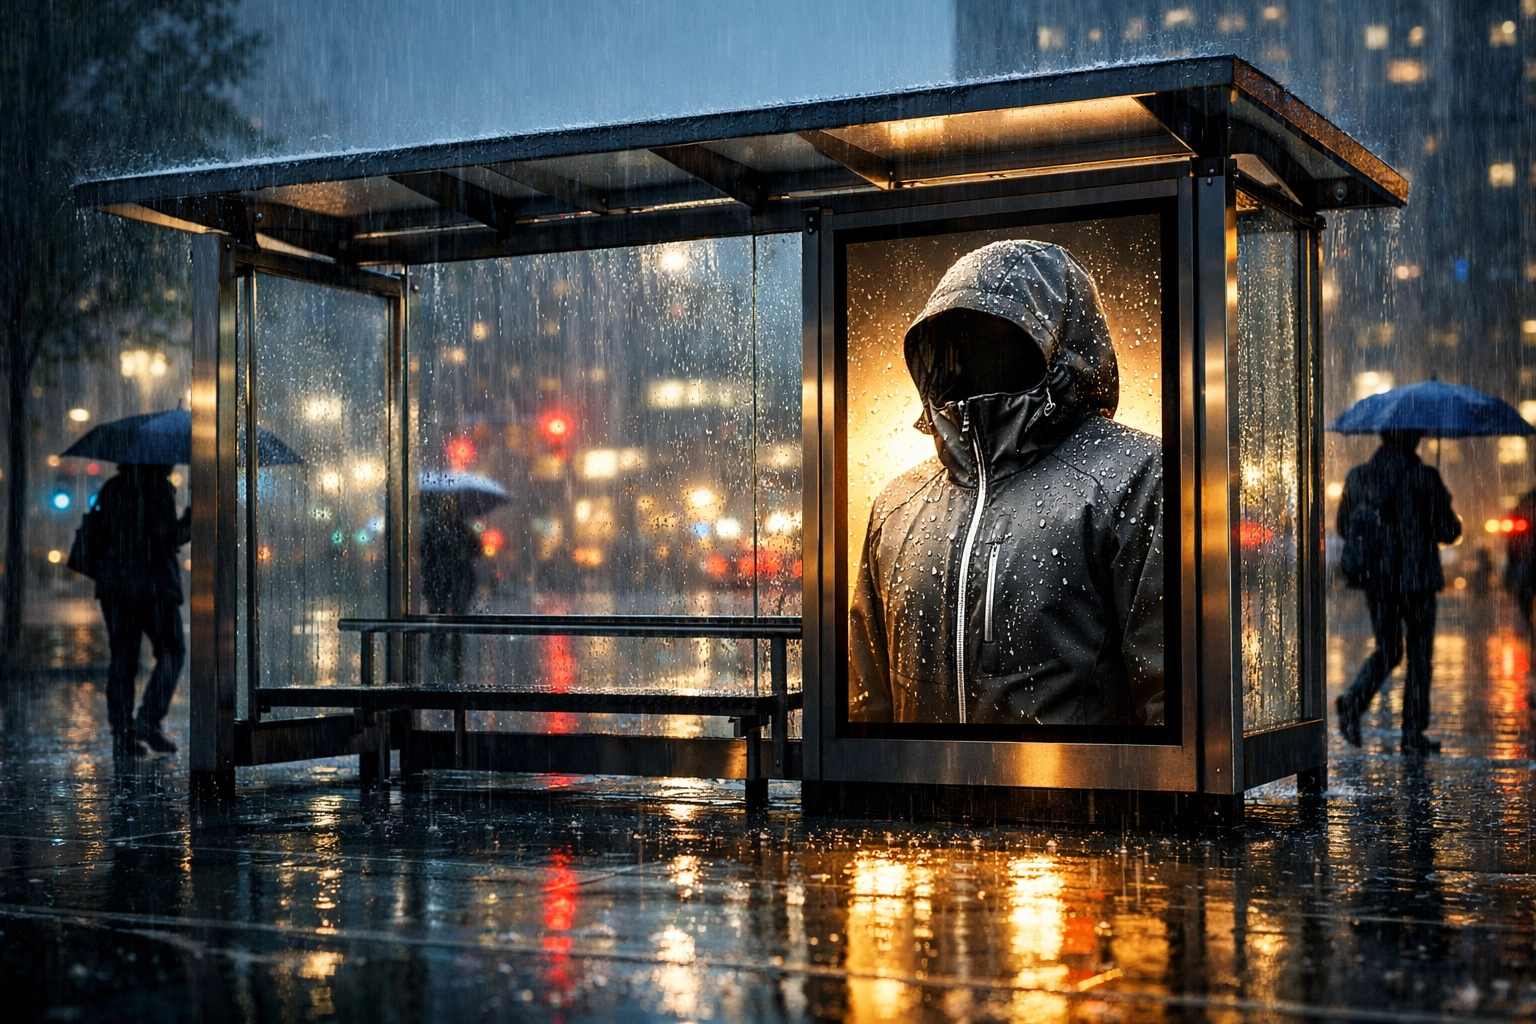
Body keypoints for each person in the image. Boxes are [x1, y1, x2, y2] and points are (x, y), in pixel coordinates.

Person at [848, 239, 1163, 726]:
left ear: (1062, 347)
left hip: (1081, 780)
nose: (978, 354)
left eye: (1005, 334)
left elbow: (1167, 701)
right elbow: (868, 702)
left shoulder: (1134, 475)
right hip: (918, 780)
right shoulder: (898, 504)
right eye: (959, 337)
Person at [1335, 430, 1461, 754]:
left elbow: (1344, 526)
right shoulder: (1424, 476)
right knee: (1419, 655)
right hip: (1417, 580)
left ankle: (1354, 701)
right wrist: (1434, 509)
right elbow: (1449, 530)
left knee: (1389, 649)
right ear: (1414, 440)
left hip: (1379, 579)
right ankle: (1412, 733)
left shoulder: (1359, 476)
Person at [92, 463, 191, 757]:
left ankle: (122, 734)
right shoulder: (157, 487)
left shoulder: (112, 488)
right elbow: (165, 536)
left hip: (115, 587)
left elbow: (100, 535)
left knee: (123, 659)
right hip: (153, 587)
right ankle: (148, 719)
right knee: (173, 649)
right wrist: (190, 519)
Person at [420, 490, 482, 678]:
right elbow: (424, 553)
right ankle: (438, 657)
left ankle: (454, 656)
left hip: (458, 579)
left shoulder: (461, 529)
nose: (448, 509)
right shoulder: (433, 529)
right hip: (439, 579)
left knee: (456, 619)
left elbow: (477, 550)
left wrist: (467, 544)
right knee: (438, 617)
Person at [1504, 486, 1536, 630]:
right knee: (1524, 588)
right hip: (1524, 559)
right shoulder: (1525, 502)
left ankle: (1528, 621)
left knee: (1524, 589)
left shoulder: (1525, 502)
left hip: (1524, 559)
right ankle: (1528, 621)